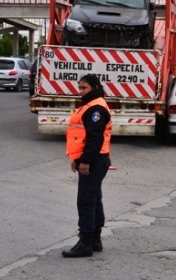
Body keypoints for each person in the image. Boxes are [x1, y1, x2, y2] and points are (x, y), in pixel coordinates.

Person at [62, 74, 112, 258]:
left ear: (95, 87)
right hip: (96, 159)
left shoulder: (95, 108)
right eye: (79, 87)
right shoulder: (92, 106)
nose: (80, 91)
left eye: (84, 88)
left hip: (95, 160)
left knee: (86, 200)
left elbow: (94, 139)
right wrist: (78, 158)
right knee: (93, 198)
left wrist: (85, 161)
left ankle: (85, 243)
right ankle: (95, 240)